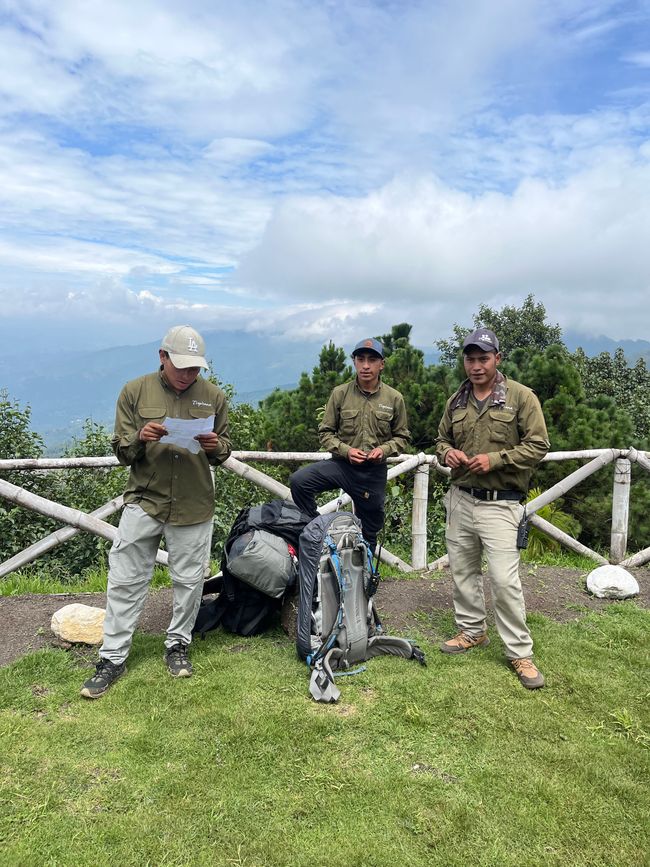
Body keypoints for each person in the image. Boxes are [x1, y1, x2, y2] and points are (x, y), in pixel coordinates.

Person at [81, 325, 231, 699]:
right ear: (162, 356)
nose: (187, 374)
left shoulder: (214, 396)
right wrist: (139, 438)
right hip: (144, 499)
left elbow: (224, 450)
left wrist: (215, 446)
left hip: (195, 502)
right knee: (126, 579)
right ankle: (112, 657)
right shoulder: (134, 391)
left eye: (195, 368)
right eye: (181, 366)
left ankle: (178, 644)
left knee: (190, 580)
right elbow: (121, 451)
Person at [436, 327, 550, 689]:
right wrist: (446, 453)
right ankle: (472, 631)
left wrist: (497, 459)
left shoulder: (521, 397)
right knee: (463, 572)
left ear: (497, 359)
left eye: (483, 358)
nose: (476, 365)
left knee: (503, 580)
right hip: (461, 499)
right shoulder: (456, 400)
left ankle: (520, 653)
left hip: (502, 505)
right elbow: (440, 440)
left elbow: (538, 446)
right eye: (470, 358)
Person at [290, 338, 410, 554]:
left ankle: (365, 576)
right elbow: (326, 433)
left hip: (372, 473)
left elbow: (402, 437)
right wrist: (346, 451)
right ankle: (320, 529)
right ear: (354, 362)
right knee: (299, 481)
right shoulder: (340, 393)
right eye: (360, 359)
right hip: (342, 466)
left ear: (381, 364)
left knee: (370, 531)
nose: (366, 365)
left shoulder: (394, 398)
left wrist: (382, 451)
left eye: (372, 360)